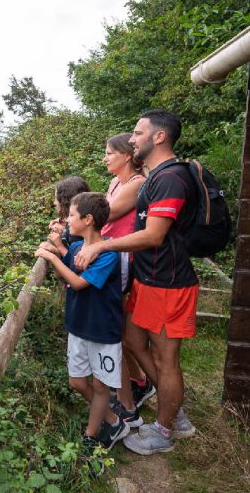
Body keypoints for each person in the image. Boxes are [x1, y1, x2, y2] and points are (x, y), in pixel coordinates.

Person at [74, 110, 198, 456]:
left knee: (166, 357)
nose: (132, 139)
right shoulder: (157, 177)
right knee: (130, 338)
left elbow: (155, 235)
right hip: (149, 278)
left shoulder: (170, 179)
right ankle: (172, 409)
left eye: (138, 132)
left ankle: (166, 429)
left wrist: (102, 244)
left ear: (159, 137)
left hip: (169, 282)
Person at [35, 192, 129, 453]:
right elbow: (67, 272)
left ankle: (91, 435)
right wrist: (56, 249)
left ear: (88, 220)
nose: (67, 219)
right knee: (77, 382)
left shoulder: (109, 254)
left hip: (102, 330)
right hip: (78, 326)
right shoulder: (76, 248)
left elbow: (78, 283)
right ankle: (111, 419)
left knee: (100, 385)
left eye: (72, 215)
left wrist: (53, 256)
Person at [100, 133, 154, 428]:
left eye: (110, 153)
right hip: (114, 259)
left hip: (126, 263)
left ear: (125, 155)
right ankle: (139, 381)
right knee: (120, 332)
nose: (105, 158)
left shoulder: (136, 184)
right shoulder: (115, 182)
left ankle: (127, 404)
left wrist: (72, 221)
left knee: (116, 331)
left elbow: (105, 214)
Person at [45, 176, 89, 258]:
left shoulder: (77, 228)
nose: (55, 203)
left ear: (65, 201)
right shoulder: (85, 221)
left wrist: (59, 246)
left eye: (57, 198)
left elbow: (76, 263)